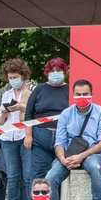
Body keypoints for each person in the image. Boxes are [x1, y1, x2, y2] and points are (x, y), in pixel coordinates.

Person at [47, 80, 101, 200]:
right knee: (50, 178)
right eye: (78, 94)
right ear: (73, 95)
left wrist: (81, 156)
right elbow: (59, 143)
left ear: (92, 94)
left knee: (95, 169)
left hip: (92, 154)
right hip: (68, 155)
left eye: (85, 94)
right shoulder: (66, 114)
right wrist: (63, 159)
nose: (82, 97)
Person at [24, 56, 71, 188]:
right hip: (40, 138)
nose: (55, 74)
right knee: (38, 174)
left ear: (64, 72)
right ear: (47, 73)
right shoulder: (39, 89)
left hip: (63, 138)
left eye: (58, 71)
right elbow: (29, 114)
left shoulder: (70, 90)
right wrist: (28, 135)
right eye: (52, 71)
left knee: (59, 175)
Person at [0, 60, 35, 200]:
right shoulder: (6, 94)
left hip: (25, 135)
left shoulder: (32, 90)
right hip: (8, 137)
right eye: (10, 77)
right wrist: (5, 112)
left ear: (23, 75)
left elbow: (36, 111)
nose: (13, 80)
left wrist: (21, 107)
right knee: (12, 176)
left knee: (28, 175)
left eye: (15, 76)